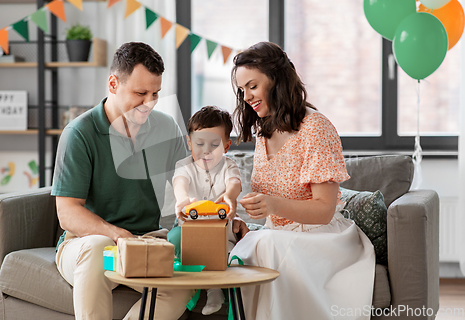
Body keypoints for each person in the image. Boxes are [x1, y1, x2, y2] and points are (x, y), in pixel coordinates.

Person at [229, 42, 376, 320]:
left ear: (276, 80)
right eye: (241, 90)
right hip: (280, 236)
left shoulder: (316, 127)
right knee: (240, 241)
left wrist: (272, 205)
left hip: (321, 238)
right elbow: (272, 217)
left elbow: (324, 210)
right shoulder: (264, 131)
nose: (246, 96)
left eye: (252, 86)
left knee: (266, 245)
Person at [52, 42, 193, 320]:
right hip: (88, 244)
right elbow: (67, 213)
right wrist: (116, 235)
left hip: (147, 243)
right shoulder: (79, 133)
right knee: (95, 249)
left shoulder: (166, 127)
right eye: (140, 93)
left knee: (184, 282)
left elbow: (189, 183)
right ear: (113, 84)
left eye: (155, 94)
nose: (149, 103)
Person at [167, 105, 242, 315]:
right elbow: (179, 183)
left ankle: (215, 290)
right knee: (173, 240)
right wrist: (182, 200)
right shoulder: (184, 165)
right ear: (189, 142)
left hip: (221, 233)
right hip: (189, 231)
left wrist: (230, 195)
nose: (206, 150)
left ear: (227, 146)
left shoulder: (229, 165)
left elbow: (235, 182)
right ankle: (190, 283)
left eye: (214, 144)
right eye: (200, 143)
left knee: (226, 255)